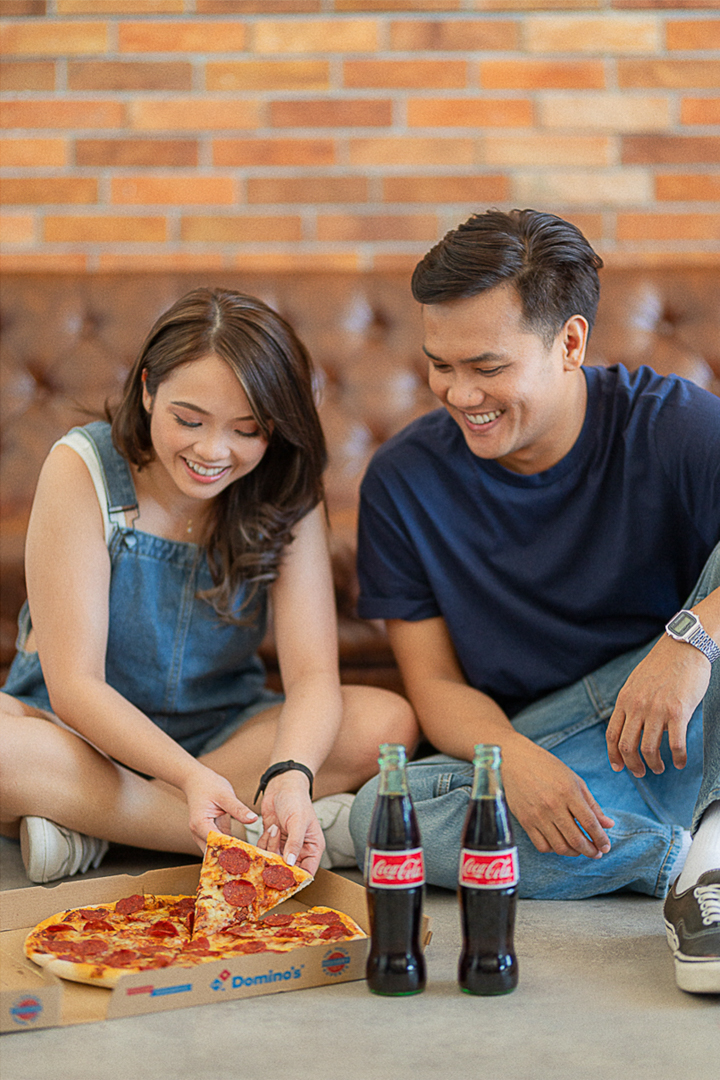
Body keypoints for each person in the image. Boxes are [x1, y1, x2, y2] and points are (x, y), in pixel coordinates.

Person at [348, 209, 720, 994]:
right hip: (554, 746)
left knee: (404, 825)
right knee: (428, 814)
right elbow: (436, 685)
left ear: (571, 344)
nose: (458, 393)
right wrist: (511, 762)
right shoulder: (403, 481)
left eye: (486, 366)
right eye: (438, 365)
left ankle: (689, 838)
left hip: (689, 709)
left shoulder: (676, 427)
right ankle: (695, 851)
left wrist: (690, 640)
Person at [0, 288, 416, 883]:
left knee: (385, 722)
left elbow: (313, 677)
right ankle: (245, 836)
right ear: (147, 389)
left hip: (223, 730)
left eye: (247, 430)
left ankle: (93, 824)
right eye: (189, 420)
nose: (213, 451)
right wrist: (189, 780)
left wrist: (291, 772)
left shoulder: (283, 486)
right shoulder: (82, 466)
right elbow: (76, 688)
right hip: (77, 734)